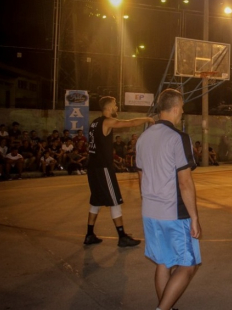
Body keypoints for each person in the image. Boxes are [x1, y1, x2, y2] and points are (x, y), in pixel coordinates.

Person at [136, 88, 201, 310]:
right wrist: (194, 217)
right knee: (188, 266)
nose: (182, 112)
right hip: (173, 213)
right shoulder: (178, 138)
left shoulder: (143, 138)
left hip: (150, 211)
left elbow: (141, 177)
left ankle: (167, 306)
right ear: (174, 109)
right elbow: (185, 182)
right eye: (181, 108)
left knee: (164, 262)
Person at [83, 96, 154, 247]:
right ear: (108, 107)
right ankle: (122, 237)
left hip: (93, 167)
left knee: (96, 201)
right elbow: (130, 122)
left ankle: (89, 234)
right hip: (103, 168)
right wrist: (147, 118)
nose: (116, 107)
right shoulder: (107, 121)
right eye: (115, 105)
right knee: (115, 200)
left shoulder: (94, 122)